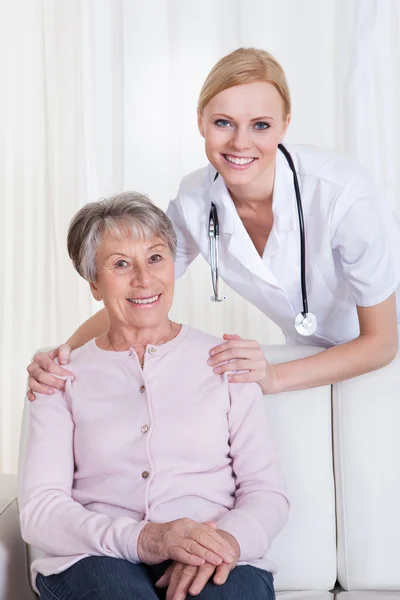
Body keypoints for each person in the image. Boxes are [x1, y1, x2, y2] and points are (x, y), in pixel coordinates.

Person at [27, 47, 400, 399]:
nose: (240, 142)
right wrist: (64, 355)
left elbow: (383, 341)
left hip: (384, 360)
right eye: (224, 122)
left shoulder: (343, 194)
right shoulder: (194, 201)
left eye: (260, 125)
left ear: (284, 126)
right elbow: (137, 290)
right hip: (307, 359)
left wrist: (274, 377)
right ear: (200, 121)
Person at [19, 192, 288, 600]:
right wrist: (143, 539)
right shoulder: (59, 377)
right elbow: (40, 511)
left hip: (213, 550)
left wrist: (224, 544)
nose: (144, 279)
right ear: (94, 283)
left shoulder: (226, 362)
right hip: (94, 557)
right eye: (121, 264)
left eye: (156, 258)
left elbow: (266, 492)